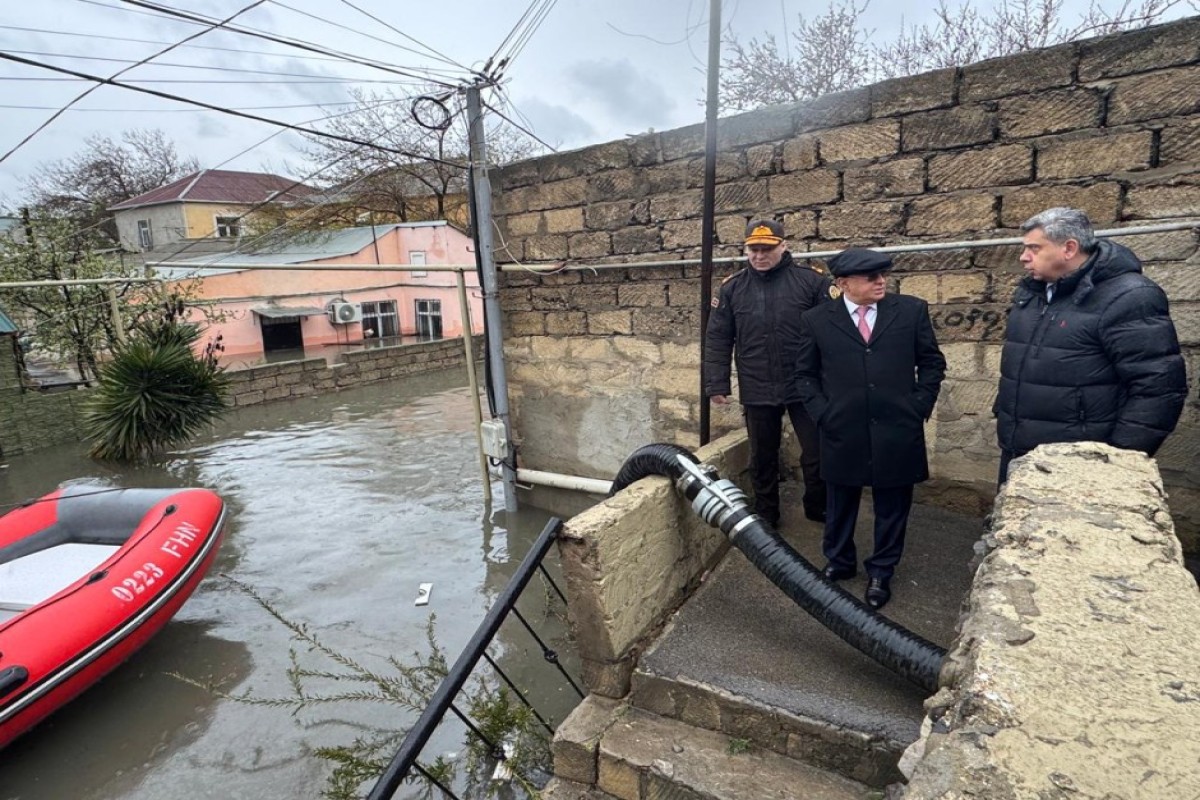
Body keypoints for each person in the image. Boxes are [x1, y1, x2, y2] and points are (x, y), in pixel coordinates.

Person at [795, 247, 946, 610]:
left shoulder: (910, 311)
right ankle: (840, 560)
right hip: (841, 428)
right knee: (840, 500)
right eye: (871, 277)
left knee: (893, 504)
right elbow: (804, 374)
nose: (881, 281)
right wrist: (823, 413)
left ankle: (882, 570)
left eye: (883, 274)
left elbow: (931, 363)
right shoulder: (817, 320)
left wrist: (918, 406)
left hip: (897, 427)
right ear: (843, 283)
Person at [994, 207, 1187, 484]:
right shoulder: (1032, 292)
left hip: (1079, 464)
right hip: (1018, 452)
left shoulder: (1130, 297)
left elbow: (1158, 387)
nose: (1024, 257)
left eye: (1034, 248)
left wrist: (1117, 461)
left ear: (1069, 248)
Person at [704, 219, 835, 527]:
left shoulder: (812, 282)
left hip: (806, 384)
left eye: (767, 249)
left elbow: (834, 333)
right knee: (762, 457)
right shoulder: (732, 288)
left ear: (783, 246)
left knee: (818, 453)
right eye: (754, 249)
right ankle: (767, 513)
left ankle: (818, 506)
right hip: (757, 384)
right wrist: (716, 383)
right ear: (745, 249)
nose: (760, 256)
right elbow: (718, 338)